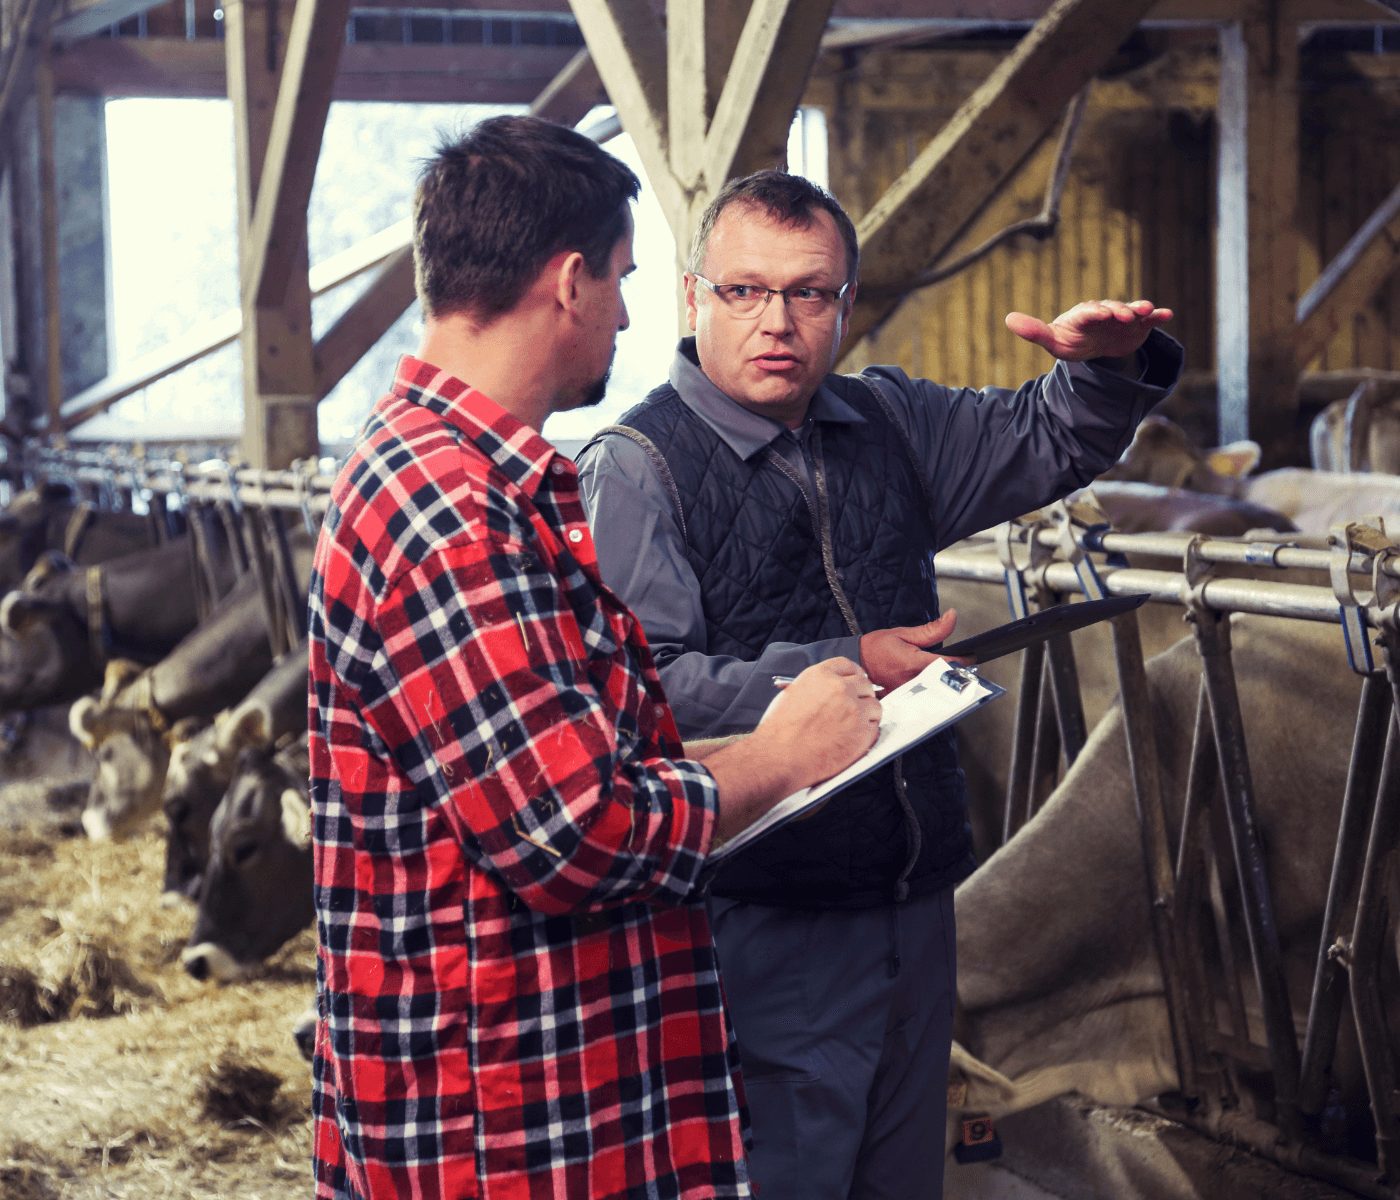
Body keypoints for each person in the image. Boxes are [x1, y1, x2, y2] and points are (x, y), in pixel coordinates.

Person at [576, 170, 1183, 1199]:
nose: (776, 321)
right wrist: (840, 666)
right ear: (693, 298)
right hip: (764, 918)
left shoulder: (884, 424)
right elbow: (644, 695)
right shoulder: (635, 468)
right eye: (743, 291)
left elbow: (1045, 437)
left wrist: (1105, 371)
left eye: (808, 293)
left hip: (913, 900)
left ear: (844, 304)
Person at [307, 121, 884, 1200]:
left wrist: (735, 744)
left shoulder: (475, 485)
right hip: (503, 1125)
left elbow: (563, 764)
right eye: (620, 278)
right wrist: (778, 758)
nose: (626, 312)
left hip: (538, 1092)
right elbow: (570, 830)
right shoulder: (451, 515)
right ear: (567, 282)